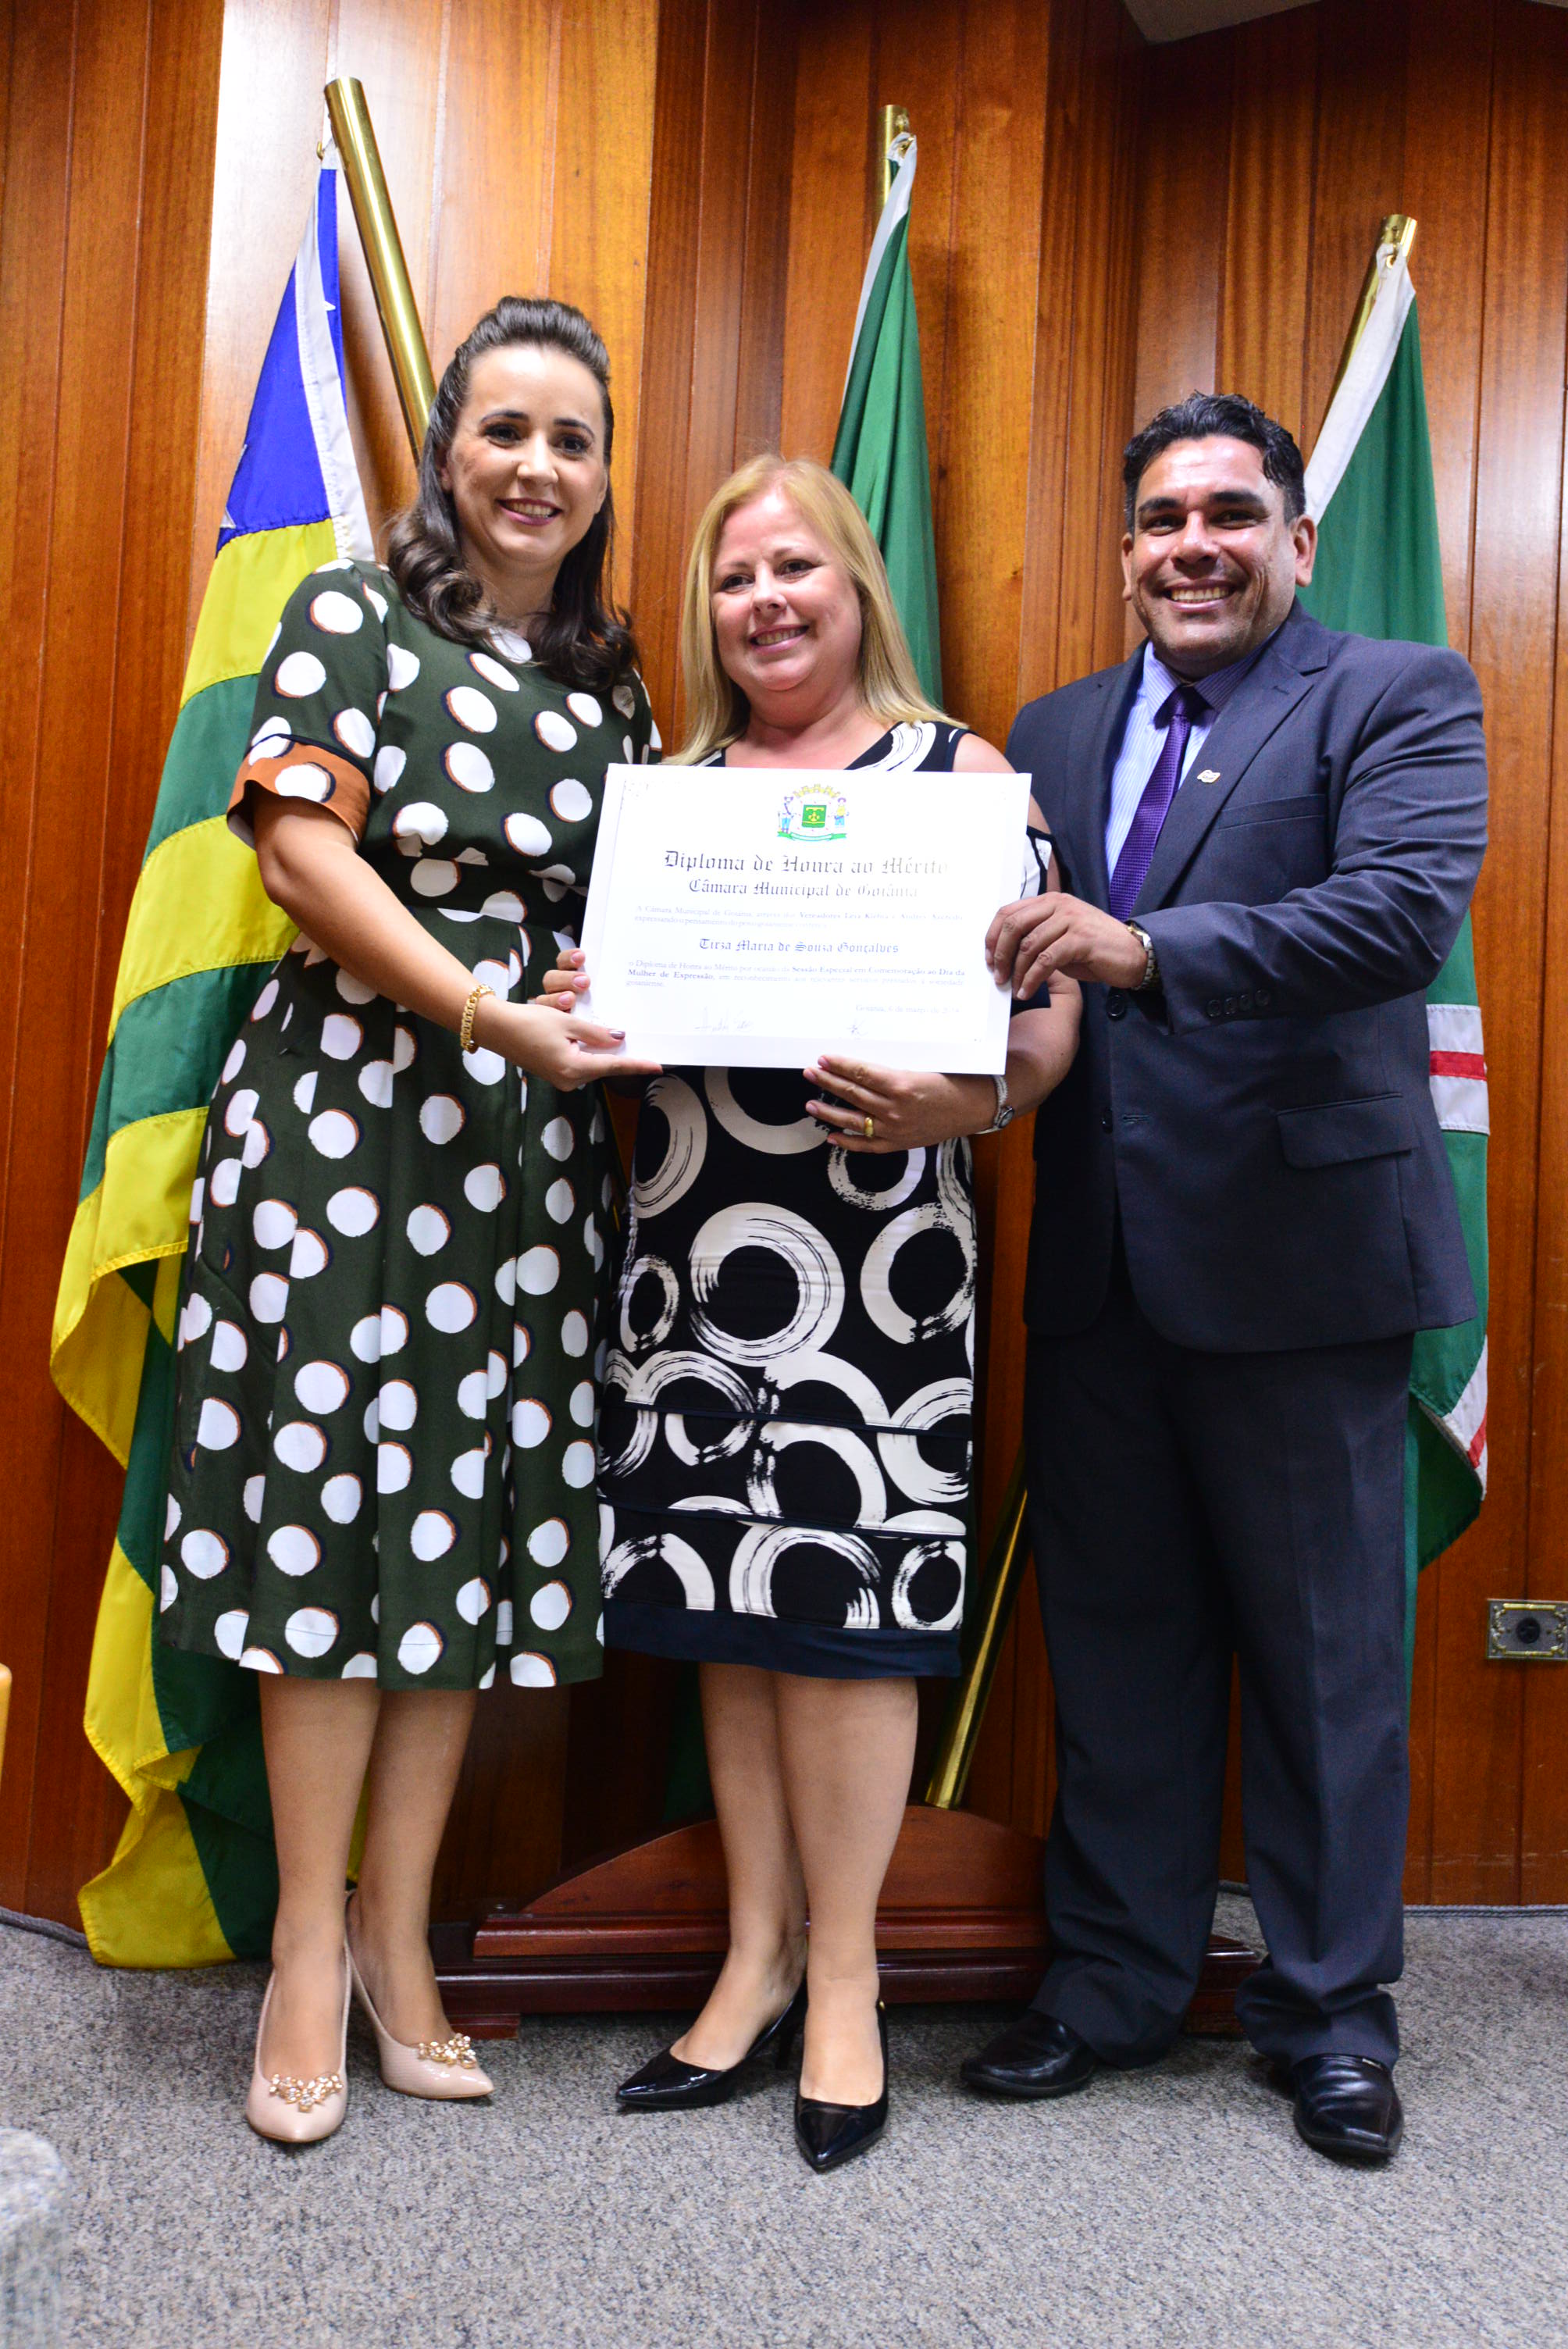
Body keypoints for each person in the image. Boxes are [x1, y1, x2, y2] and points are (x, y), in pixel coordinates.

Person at [965, 393, 1488, 2165]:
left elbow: (1396, 917)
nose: (1193, 545)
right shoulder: (1051, 730)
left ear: (1295, 541)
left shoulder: (1394, 695)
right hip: (1101, 1264)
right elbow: (997, 967)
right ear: (1125, 552)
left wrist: (1141, 947)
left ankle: (1329, 2017)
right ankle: (1111, 1984)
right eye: (1162, 520)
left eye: (1230, 514)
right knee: (1118, 1651)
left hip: (1302, 1262)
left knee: (1326, 1664)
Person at [157, 297, 657, 2144]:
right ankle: (304, 1942)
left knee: (453, 1531)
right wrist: (481, 1008)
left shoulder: (613, 686)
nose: (537, 467)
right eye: (505, 429)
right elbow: (300, 856)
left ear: (601, 479)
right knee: (326, 1525)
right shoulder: (352, 615)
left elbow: (624, 915)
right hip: (350, 1122)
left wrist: (590, 985)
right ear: (447, 448)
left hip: (523, 1158)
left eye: (572, 441)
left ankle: (397, 1936)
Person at [548, 454, 1081, 2171]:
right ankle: (752, 1959)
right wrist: (591, 999)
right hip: (696, 1252)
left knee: (839, 1611)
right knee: (729, 1604)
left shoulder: (959, 780)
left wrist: (973, 1101)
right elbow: (608, 1023)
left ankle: (844, 1974)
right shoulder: (675, 797)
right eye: (732, 578)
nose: (765, 601)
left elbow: (1047, 1019)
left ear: (857, 587)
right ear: (706, 612)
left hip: (880, 1267)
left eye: (795, 568)